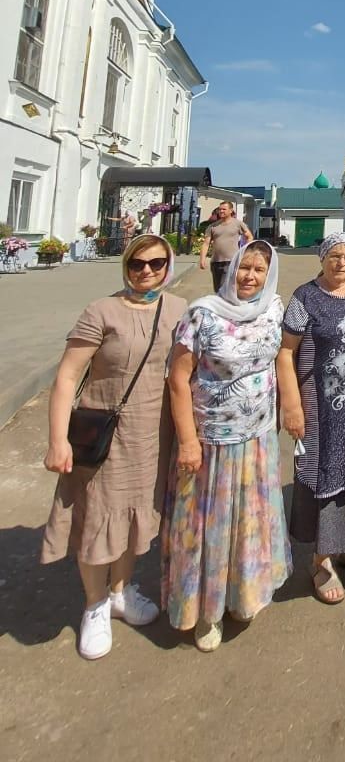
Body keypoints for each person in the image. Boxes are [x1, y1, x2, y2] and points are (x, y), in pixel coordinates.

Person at [41, 235, 186, 660]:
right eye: (137, 264)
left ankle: (121, 592)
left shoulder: (178, 310)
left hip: (153, 434)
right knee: (98, 519)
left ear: (167, 266)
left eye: (156, 264)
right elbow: (67, 377)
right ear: (125, 266)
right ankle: (94, 604)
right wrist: (57, 440)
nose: (146, 272)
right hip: (103, 436)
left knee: (135, 516)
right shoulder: (101, 311)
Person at [162, 240, 291, 651]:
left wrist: (291, 408)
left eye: (258, 270)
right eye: (244, 268)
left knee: (250, 521)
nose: (250, 277)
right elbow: (178, 379)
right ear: (231, 268)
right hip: (211, 440)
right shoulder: (203, 313)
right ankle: (206, 612)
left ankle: (243, 595)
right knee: (210, 527)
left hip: (257, 438)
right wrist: (187, 441)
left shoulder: (274, 308)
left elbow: (282, 360)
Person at [278, 232, 345, 604]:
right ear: (322, 258)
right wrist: (291, 405)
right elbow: (285, 353)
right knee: (323, 474)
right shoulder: (305, 298)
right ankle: (321, 559)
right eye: (334, 256)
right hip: (320, 409)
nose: (341, 263)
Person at [199, 201, 253, 293]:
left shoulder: (238, 224)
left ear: (231, 210)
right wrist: (202, 259)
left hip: (231, 261)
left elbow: (249, 236)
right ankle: (222, 304)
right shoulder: (213, 226)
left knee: (225, 287)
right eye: (220, 209)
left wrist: (246, 252)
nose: (221, 211)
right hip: (216, 262)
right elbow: (206, 243)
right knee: (217, 289)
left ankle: (226, 305)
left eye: (224, 209)